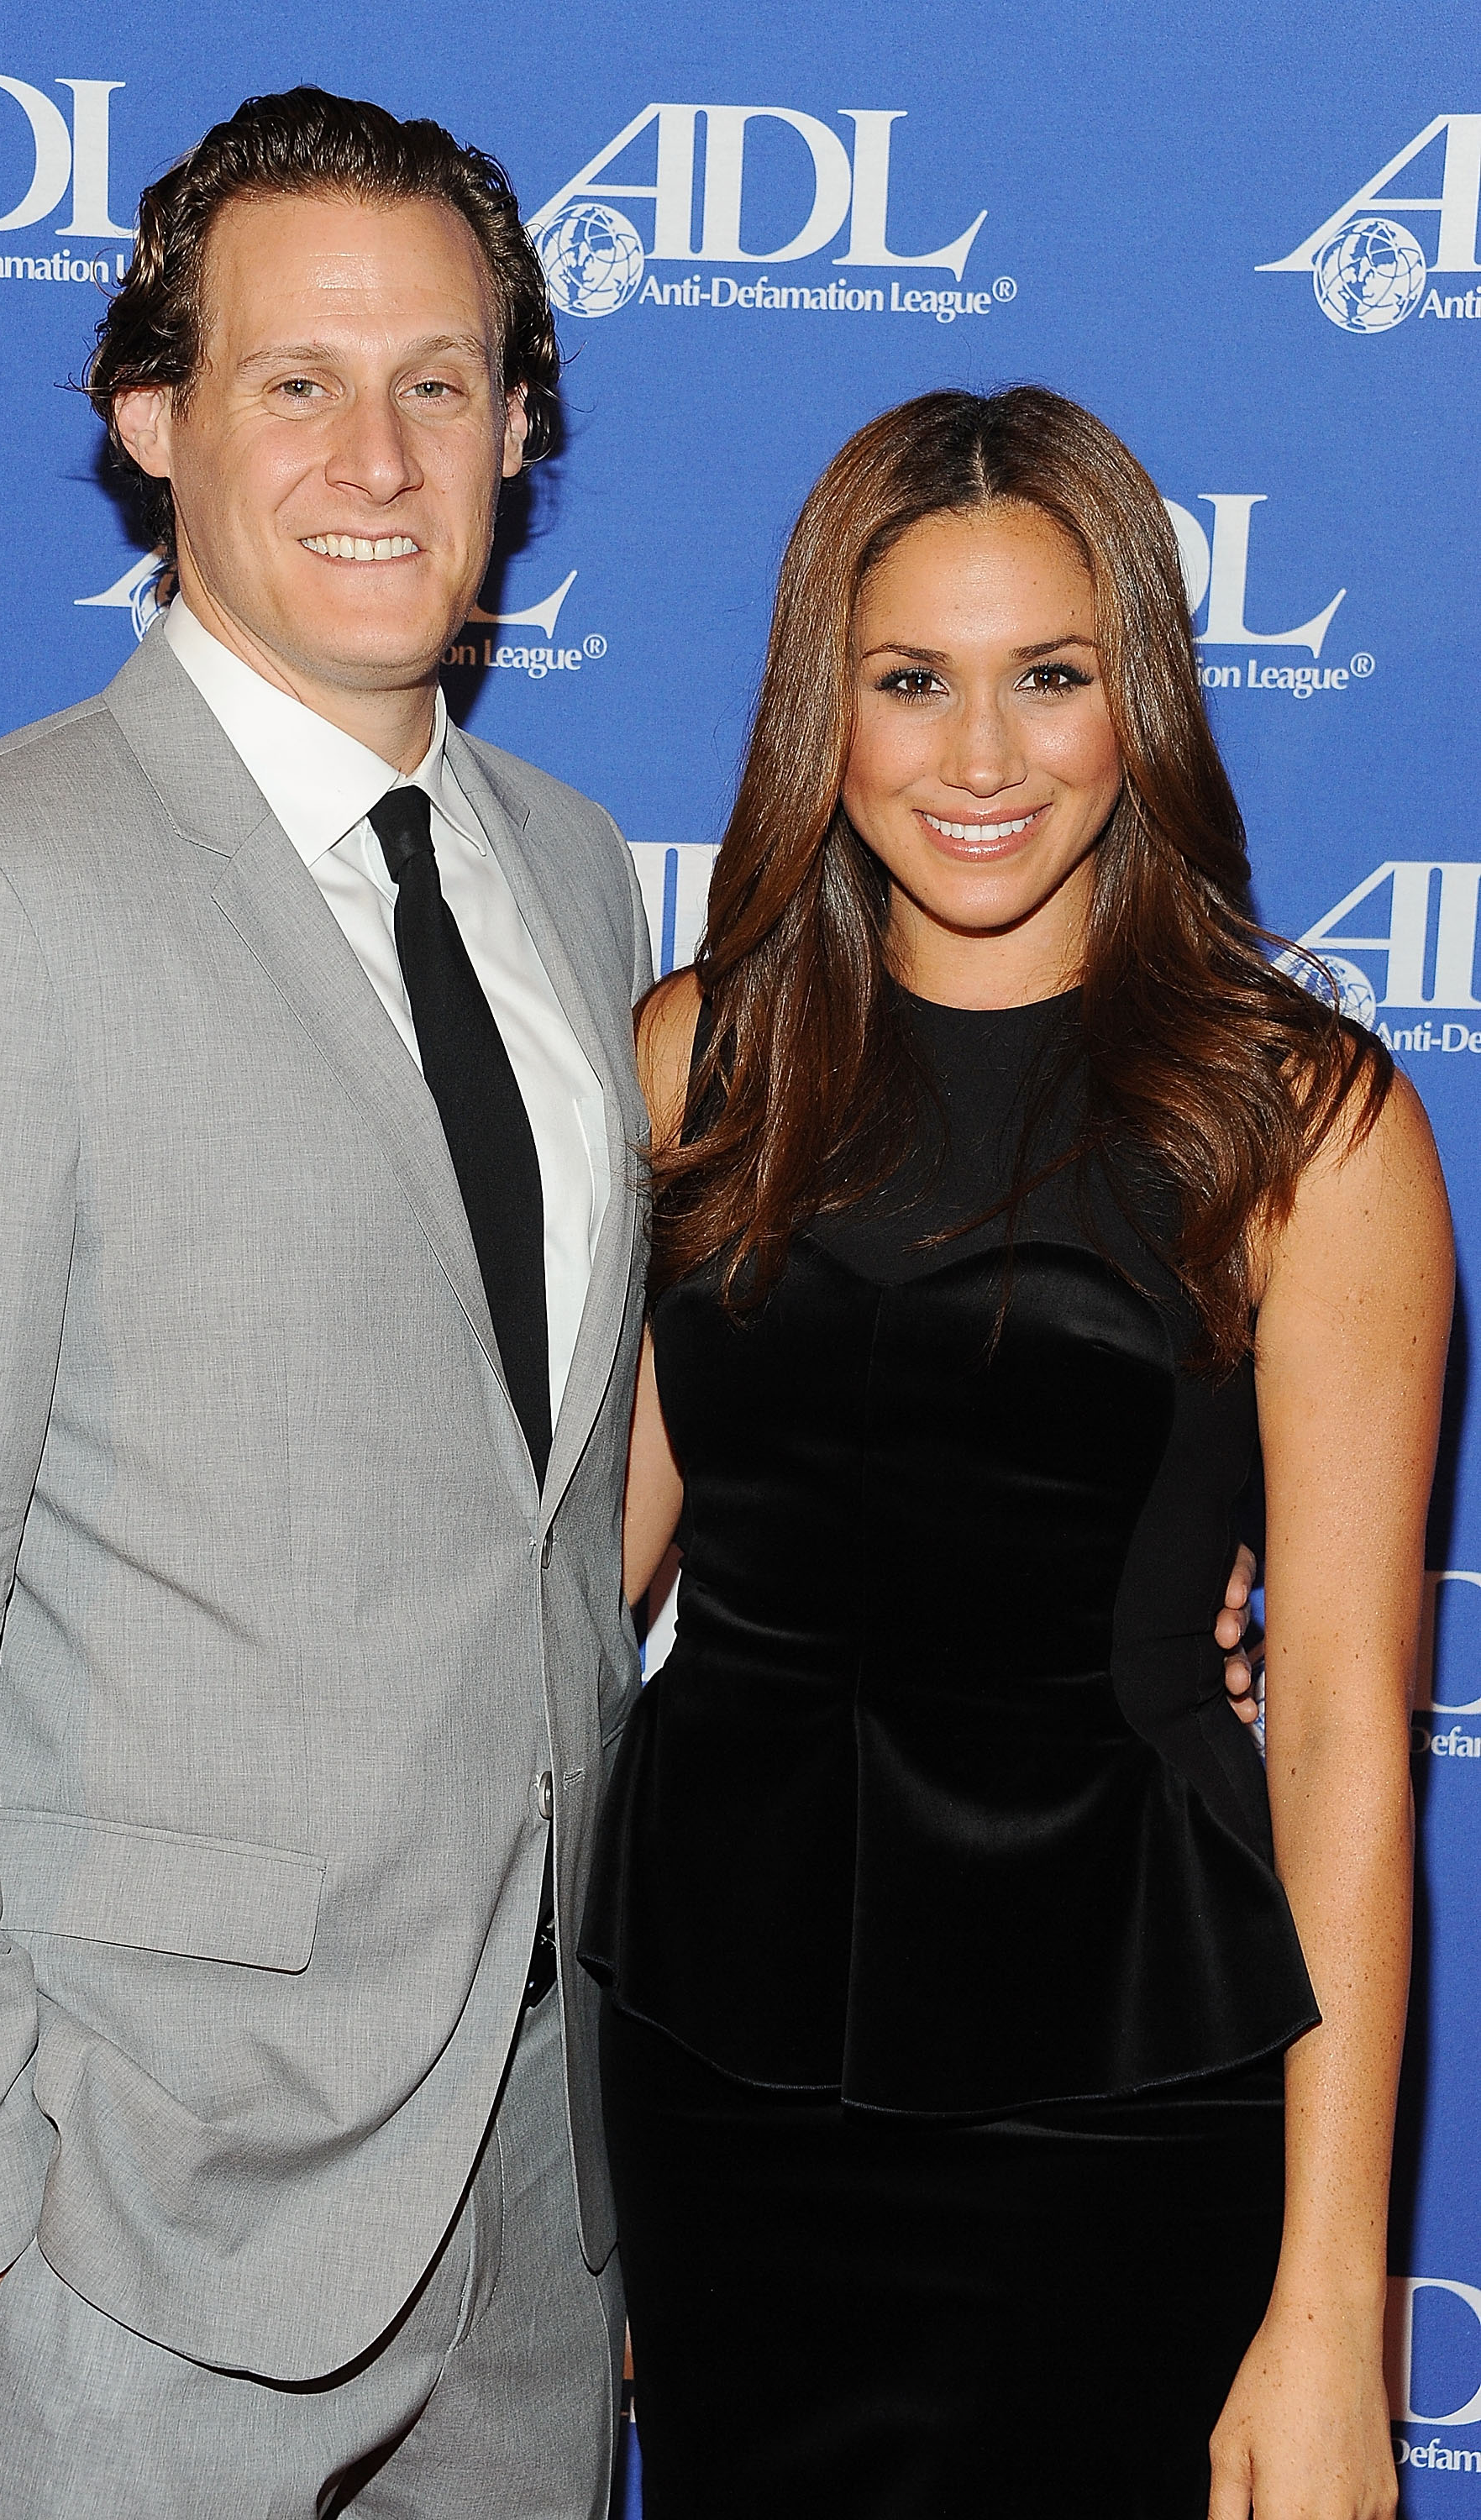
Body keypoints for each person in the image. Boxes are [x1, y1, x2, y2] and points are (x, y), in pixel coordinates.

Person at [0, 89, 654, 2520]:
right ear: (154, 420)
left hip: (537, 2190)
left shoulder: (568, 874)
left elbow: (564, 1483)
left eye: (437, 380)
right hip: (138, 2222)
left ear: (517, 429)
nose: (374, 452)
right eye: (291, 379)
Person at [590, 386, 1447, 2518]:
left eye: (1047, 677)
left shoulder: (1302, 1126)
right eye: (910, 682)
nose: (980, 759)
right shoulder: (699, 1061)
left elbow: (1343, 1721)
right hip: (716, 2057)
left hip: (1125, 2075)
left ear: (1134, 695)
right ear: (828, 709)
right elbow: (565, 1577)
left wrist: (1328, 2311)